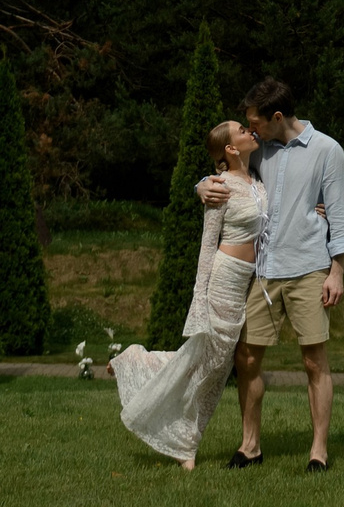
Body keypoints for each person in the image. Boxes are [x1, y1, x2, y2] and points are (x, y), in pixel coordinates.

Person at [198, 77, 344, 471]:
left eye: (255, 123)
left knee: (314, 362)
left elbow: (338, 213)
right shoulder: (259, 149)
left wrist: (337, 271)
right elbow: (227, 173)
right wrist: (201, 186)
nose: (251, 130)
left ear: (277, 116)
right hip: (262, 272)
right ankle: (250, 446)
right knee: (246, 358)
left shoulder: (327, 150)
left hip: (309, 269)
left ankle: (318, 451)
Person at [109, 119, 262, 470]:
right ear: (231, 149)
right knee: (206, 363)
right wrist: (200, 298)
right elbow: (208, 247)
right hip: (223, 281)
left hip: (245, 284)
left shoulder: (257, 184)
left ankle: (185, 440)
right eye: (241, 129)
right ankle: (137, 363)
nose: (249, 130)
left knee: (215, 369)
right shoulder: (220, 187)